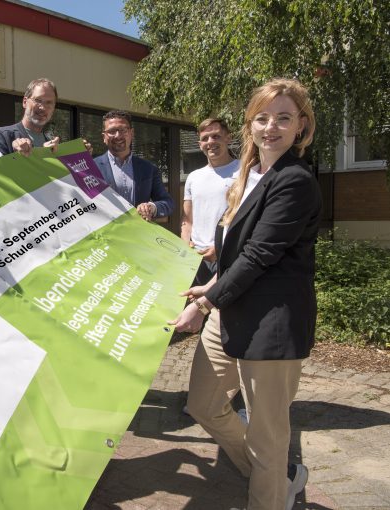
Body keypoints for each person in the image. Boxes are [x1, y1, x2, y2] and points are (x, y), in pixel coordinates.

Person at [169, 78, 321, 510]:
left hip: (271, 323)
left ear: (300, 126)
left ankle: (270, 494)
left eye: (284, 118)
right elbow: (235, 252)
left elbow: (259, 255)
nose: (271, 127)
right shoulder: (246, 176)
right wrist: (213, 285)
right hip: (230, 307)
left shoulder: (295, 181)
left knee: (268, 435)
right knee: (203, 404)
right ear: (250, 125)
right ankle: (276, 479)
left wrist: (203, 304)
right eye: (262, 118)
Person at [182, 118, 239, 285]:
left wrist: (220, 248)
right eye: (205, 138)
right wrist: (186, 246)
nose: (210, 142)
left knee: (230, 310)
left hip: (230, 257)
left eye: (216, 136)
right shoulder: (193, 177)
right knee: (194, 309)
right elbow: (187, 220)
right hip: (197, 260)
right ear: (200, 144)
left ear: (228, 138)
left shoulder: (245, 171)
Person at [93, 111, 174, 221]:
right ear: (104, 137)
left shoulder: (149, 169)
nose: (118, 136)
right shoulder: (92, 167)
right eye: (112, 131)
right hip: (105, 236)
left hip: (139, 235)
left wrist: (152, 207)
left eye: (123, 130)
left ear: (131, 133)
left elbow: (168, 203)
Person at [0, 78, 60, 156]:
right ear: (25, 102)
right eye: (38, 100)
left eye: (49, 103)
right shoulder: (4, 136)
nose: (43, 108)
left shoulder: (53, 147)